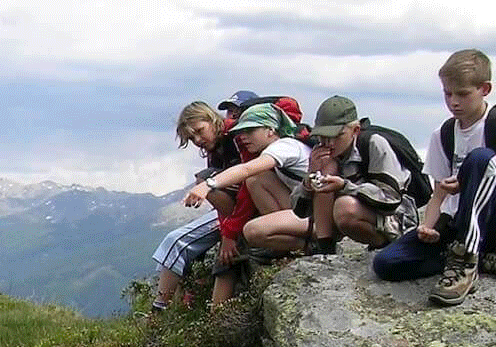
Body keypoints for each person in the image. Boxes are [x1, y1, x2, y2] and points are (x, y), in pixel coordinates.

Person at [373, 49, 496, 306]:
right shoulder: (444, 133)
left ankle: (467, 262)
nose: (454, 102)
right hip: (456, 222)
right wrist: (428, 226)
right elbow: (439, 190)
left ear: (485, 89)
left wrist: (471, 184)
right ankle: (483, 259)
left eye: (462, 94)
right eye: (448, 94)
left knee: (480, 159)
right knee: (386, 263)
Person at [183, 102, 313, 260]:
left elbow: (246, 170)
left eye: (250, 130)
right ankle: (305, 244)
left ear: (270, 129)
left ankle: (310, 242)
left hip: (315, 215)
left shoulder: (283, 147)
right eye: (242, 131)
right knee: (256, 180)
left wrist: (208, 185)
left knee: (252, 230)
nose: (243, 136)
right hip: (306, 208)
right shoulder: (278, 148)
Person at [149, 100, 243, 310]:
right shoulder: (218, 148)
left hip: (242, 213)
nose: (198, 140)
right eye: (192, 138)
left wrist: (229, 234)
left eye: (200, 131)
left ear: (212, 120)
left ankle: (159, 310)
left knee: (175, 241)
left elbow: (246, 191)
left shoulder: (236, 141)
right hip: (233, 213)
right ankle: (172, 305)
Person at [301, 95, 422, 251]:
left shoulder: (374, 144)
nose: (329, 143)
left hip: (397, 216)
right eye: (323, 137)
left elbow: (391, 199)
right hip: (359, 211)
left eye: (337, 136)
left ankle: (383, 245)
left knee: (344, 208)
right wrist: (311, 176)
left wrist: (345, 186)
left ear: (355, 130)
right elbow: (300, 211)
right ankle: (325, 247)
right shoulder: (322, 153)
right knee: (326, 171)